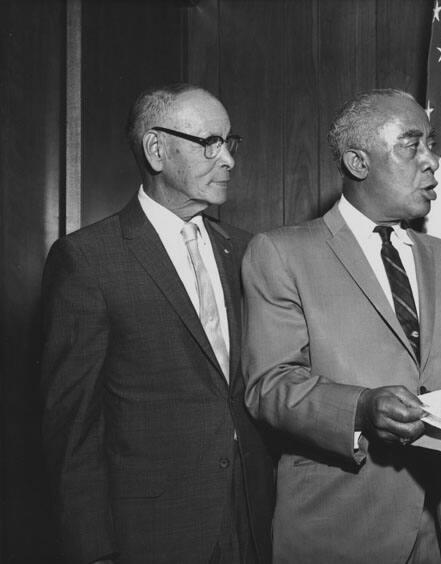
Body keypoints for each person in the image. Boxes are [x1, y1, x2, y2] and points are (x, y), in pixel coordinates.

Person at [242, 88, 441, 564]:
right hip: (337, 531)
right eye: (412, 145)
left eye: (430, 143)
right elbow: (269, 386)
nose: (432, 161)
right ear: (357, 162)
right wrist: (361, 408)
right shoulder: (282, 253)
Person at [40, 83, 274, 564]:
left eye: (231, 143)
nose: (228, 159)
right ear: (156, 149)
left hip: (253, 519)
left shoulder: (247, 250)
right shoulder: (87, 260)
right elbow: (73, 431)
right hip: (154, 535)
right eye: (211, 143)